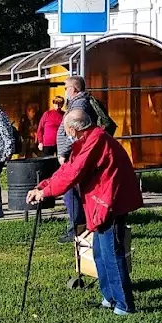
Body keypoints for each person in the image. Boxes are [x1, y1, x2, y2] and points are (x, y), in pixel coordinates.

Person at [27, 108, 142, 316]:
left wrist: (45, 193)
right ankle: (110, 296)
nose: (65, 133)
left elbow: (74, 173)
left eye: (65, 130)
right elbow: (67, 169)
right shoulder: (86, 140)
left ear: (73, 129)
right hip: (102, 200)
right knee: (99, 252)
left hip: (111, 201)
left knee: (111, 253)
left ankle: (125, 304)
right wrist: (43, 186)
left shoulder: (95, 140)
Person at [55, 77, 98, 244]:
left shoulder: (80, 104)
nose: (65, 91)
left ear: (73, 89)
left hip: (74, 155)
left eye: (66, 87)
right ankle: (80, 226)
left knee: (70, 191)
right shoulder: (76, 103)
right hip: (73, 154)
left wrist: (63, 153)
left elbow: (75, 132)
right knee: (72, 192)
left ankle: (77, 228)